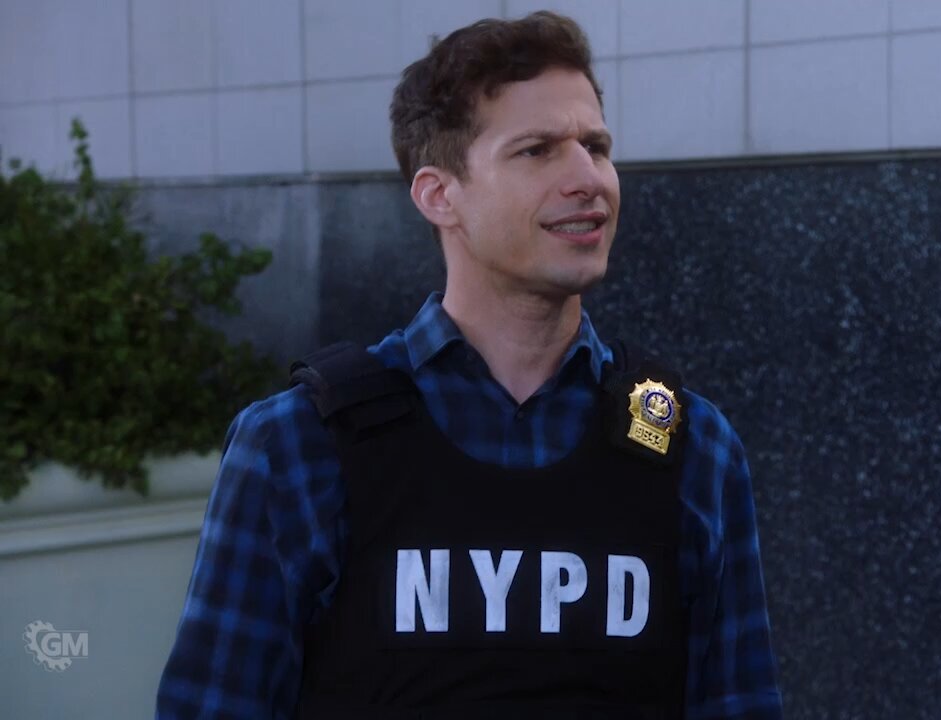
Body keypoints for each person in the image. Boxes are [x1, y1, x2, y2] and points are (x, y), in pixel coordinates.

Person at [156, 11, 781, 719]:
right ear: (439, 195)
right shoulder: (297, 447)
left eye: (596, 146)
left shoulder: (694, 447)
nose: (589, 178)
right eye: (537, 150)